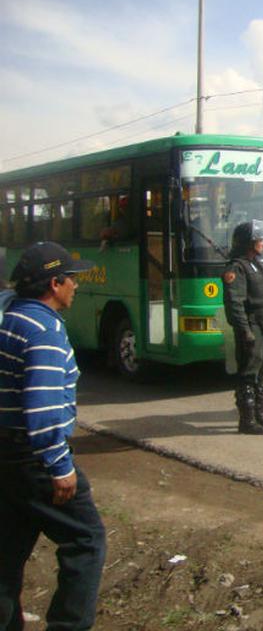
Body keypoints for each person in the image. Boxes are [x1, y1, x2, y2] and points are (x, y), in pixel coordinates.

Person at [0, 242, 106, 630]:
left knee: (7, 554)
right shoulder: (43, 330)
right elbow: (43, 409)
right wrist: (59, 467)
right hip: (36, 459)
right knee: (86, 540)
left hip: (8, 455)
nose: (76, 286)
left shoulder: (10, 317)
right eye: (72, 279)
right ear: (55, 283)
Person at [223, 220, 263, 435]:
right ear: (249, 242)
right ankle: (246, 420)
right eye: (259, 240)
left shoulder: (259, 265)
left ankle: (260, 414)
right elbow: (235, 303)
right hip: (252, 327)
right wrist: (244, 331)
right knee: (248, 374)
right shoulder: (236, 268)